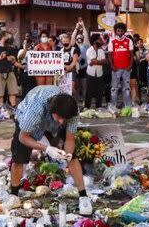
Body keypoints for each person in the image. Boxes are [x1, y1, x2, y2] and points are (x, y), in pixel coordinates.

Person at [8, 85, 90, 213]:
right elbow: (23, 137)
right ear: (53, 111)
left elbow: (70, 139)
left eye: (65, 119)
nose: (62, 122)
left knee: (73, 157)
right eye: (60, 117)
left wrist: (67, 154)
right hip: (26, 119)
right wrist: (47, 149)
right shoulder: (36, 109)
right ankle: (13, 194)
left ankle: (83, 195)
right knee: (19, 157)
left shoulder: (72, 112)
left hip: (51, 118)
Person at [0, 31, 19, 109]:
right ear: (3, 36)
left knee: (13, 92)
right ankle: (1, 110)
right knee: (0, 93)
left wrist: (12, 58)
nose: (10, 37)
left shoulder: (9, 47)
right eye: (8, 35)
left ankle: (13, 109)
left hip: (9, 71)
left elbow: (14, 59)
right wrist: (0, 58)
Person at [107, 22, 134, 109]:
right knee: (114, 89)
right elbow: (109, 55)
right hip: (116, 69)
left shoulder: (129, 41)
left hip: (126, 69)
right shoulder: (112, 41)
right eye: (118, 31)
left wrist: (130, 66)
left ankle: (127, 106)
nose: (120, 33)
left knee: (126, 88)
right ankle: (113, 106)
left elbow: (132, 54)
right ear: (115, 31)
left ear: (124, 31)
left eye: (122, 31)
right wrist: (112, 66)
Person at [83, 34, 107, 109]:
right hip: (90, 73)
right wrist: (97, 61)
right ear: (94, 41)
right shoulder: (89, 50)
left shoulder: (101, 50)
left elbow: (104, 62)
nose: (100, 41)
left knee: (99, 91)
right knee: (89, 91)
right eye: (99, 39)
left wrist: (95, 62)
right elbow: (94, 61)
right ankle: (87, 107)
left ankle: (98, 107)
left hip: (100, 73)